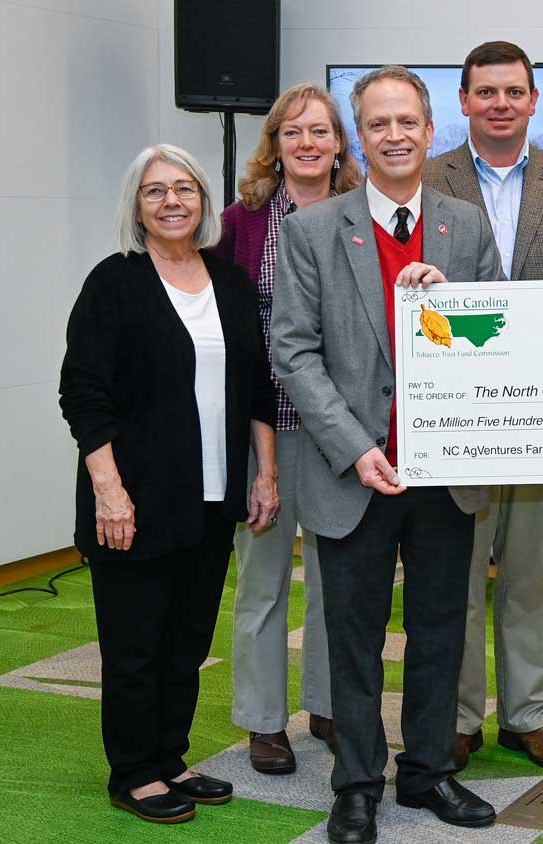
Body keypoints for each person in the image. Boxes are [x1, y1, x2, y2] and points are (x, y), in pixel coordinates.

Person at [272, 65, 503, 844]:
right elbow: (294, 353)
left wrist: (454, 314)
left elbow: (498, 339)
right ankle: (358, 784)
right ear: (356, 139)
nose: (395, 135)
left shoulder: (465, 227)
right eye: (378, 123)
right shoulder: (310, 229)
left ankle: (429, 772)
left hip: (443, 473)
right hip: (354, 472)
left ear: (431, 131)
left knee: (443, 627)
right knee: (353, 635)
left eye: (408, 121)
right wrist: (354, 446)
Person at [59, 144, 277, 823]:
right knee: (134, 645)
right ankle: (132, 771)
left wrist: (264, 473)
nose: (172, 201)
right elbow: (82, 393)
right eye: (155, 192)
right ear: (137, 207)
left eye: (184, 188)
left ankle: (169, 757)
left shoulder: (230, 282)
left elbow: (257, 388)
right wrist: (109, 490)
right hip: (135, 499)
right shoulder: (114, 282)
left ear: (204, 202)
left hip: (212, 499)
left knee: (186, 642)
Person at [422, 40, 543, 772]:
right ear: (464, 101)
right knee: (459, 572)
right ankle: (462, 715)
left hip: (541, 415)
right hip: (458, 416)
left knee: (531, 574)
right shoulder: (426, 179)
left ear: (534, 101)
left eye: (514, 92)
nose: (500, 103)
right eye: (486, 92)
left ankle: (529, 715)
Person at [215, 82, 362, 775]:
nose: (307, 143)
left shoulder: (362, 216)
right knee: (263, 582)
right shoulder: (240, 224)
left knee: (339, 582)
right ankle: (264, 720)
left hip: (341, 434)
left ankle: (331, 706)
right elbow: (225, 334)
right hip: (261, 431)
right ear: (274, 145)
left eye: (320, 131)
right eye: (293, 132)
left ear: (340, 144)